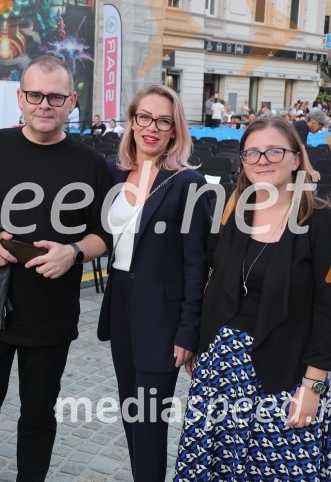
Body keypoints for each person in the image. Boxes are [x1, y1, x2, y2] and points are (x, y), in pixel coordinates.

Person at [0, 55, 113, 481]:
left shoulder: (92, 165)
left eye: (55, 96)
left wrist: (73, 252)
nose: (45, 104)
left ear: (71, 101)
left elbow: (108, 233)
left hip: (50, 315)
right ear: (20, 98)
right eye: (35, 95)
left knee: (38, 417)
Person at [174, 117, 331, 481]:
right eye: (251, 152)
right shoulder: (237, 213)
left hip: (284, 371)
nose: (262, 159)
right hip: (221, 370)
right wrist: (199, 341)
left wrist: (312, 387)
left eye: (274, 150)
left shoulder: (322, 223)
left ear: (296, 159)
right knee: (214, 468)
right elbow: (215, 281)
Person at [99, 84, 210, 481]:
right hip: (121, 304)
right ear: (131, 121)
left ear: (174, 129)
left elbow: (197, 265)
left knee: (149, 419)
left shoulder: (187, 184)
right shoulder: (112, 174)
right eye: (144, 117)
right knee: (131, 411)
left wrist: (188, 331)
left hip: (163, 316)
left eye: (163, 120)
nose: (152, 127)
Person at [292, 111, 328, 182]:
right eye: (320, 127)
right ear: (313, 123)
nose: (320, 130)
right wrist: (311, 170)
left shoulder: (301, 125)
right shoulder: (303, 127)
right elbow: (302, 150)